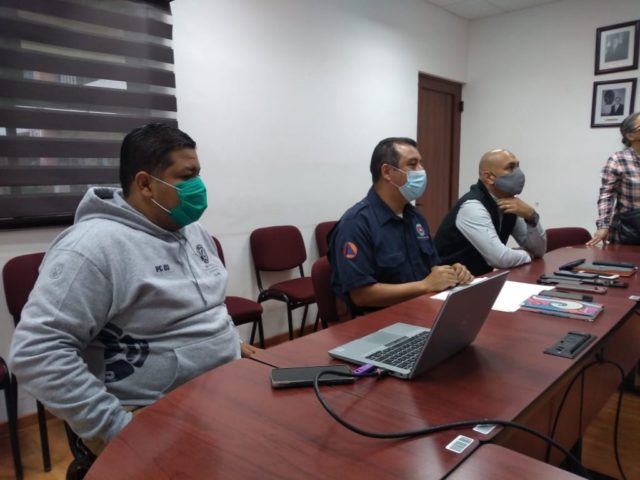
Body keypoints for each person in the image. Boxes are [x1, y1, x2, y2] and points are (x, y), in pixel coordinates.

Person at [9, 123, 257, 452]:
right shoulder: (92, 247)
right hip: (152, 412)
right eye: (187, 176)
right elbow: (36, 352)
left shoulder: (193, 231)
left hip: (221, 392)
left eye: (199, 174)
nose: (198, 187)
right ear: (145, 184)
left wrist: (232, 344)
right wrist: (116, 429)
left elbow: (203, 305)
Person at [327, 137, 473, 317]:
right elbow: (361, 295)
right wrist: (424, 286)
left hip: (422, 308)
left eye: (420, 163)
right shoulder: (356, 224)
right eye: (412, 164)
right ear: (387, 172)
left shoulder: (414, 216)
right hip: (379, 319)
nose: (421, 170)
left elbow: (432, 267)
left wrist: (452, 271)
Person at [434, 149, 546, 276]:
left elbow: (539, 251)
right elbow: (500, 259)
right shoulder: (472, 207)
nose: (519, 173)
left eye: (518, 166)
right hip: (449, 283)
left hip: (480, 280)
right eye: (510, 167)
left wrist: (531, 216)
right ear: (489, 177)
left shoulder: (510, 203)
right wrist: (528, 255)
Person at [587, 112, 640, 245]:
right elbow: (607, 195)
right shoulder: (618, 160)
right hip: (630, 230)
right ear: (630, 136)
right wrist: (603, 225)